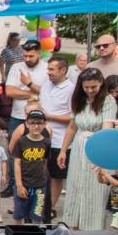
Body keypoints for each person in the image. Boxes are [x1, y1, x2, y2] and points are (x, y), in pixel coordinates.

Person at [58, 68, 118, 230]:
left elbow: (106, 130)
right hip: (79, 148)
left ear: (101, 84)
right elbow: (72, 126)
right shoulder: (79, 99)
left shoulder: (108, 101)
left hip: (98, 147)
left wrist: (100, 157)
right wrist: (63, 150)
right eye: (86, 87)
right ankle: (72, 225)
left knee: (94, 189)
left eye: (94, 87)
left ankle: (92, 229)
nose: (90, 90)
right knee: (75, 185)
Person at [39, 54, 75, 207]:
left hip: (59, 141)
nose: (49, 72)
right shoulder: (46, 84)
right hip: (40, 138)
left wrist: (50, 117)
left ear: (63, 70)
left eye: (52, 69)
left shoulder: (72, 89)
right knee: (38, 173)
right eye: (48, 69)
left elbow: (74, 118)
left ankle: (50, 207)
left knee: (55, 176)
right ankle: (36, 205)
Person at [12, 109, 50, 224]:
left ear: (44, 124)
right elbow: (17, 164)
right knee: (18, 215)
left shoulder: (47, 142)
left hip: (40, 186)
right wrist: (19, 185)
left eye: (39, 123)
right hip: (23, 184)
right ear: (27, 124)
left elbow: (45, 162)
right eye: (32, 123)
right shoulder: (21, 141)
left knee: (37, 216)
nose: (36, 126)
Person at [5, 39, 47, 137]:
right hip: (17, 116)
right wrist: (35, 94)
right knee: (14, 145)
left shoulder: (47, 68)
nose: (27, 59)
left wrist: (29, 84)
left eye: (31, 56)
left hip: (39, 118)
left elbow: (48, 93)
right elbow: (9, 91)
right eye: (25, 56)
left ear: (39, 53)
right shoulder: (16, 67)